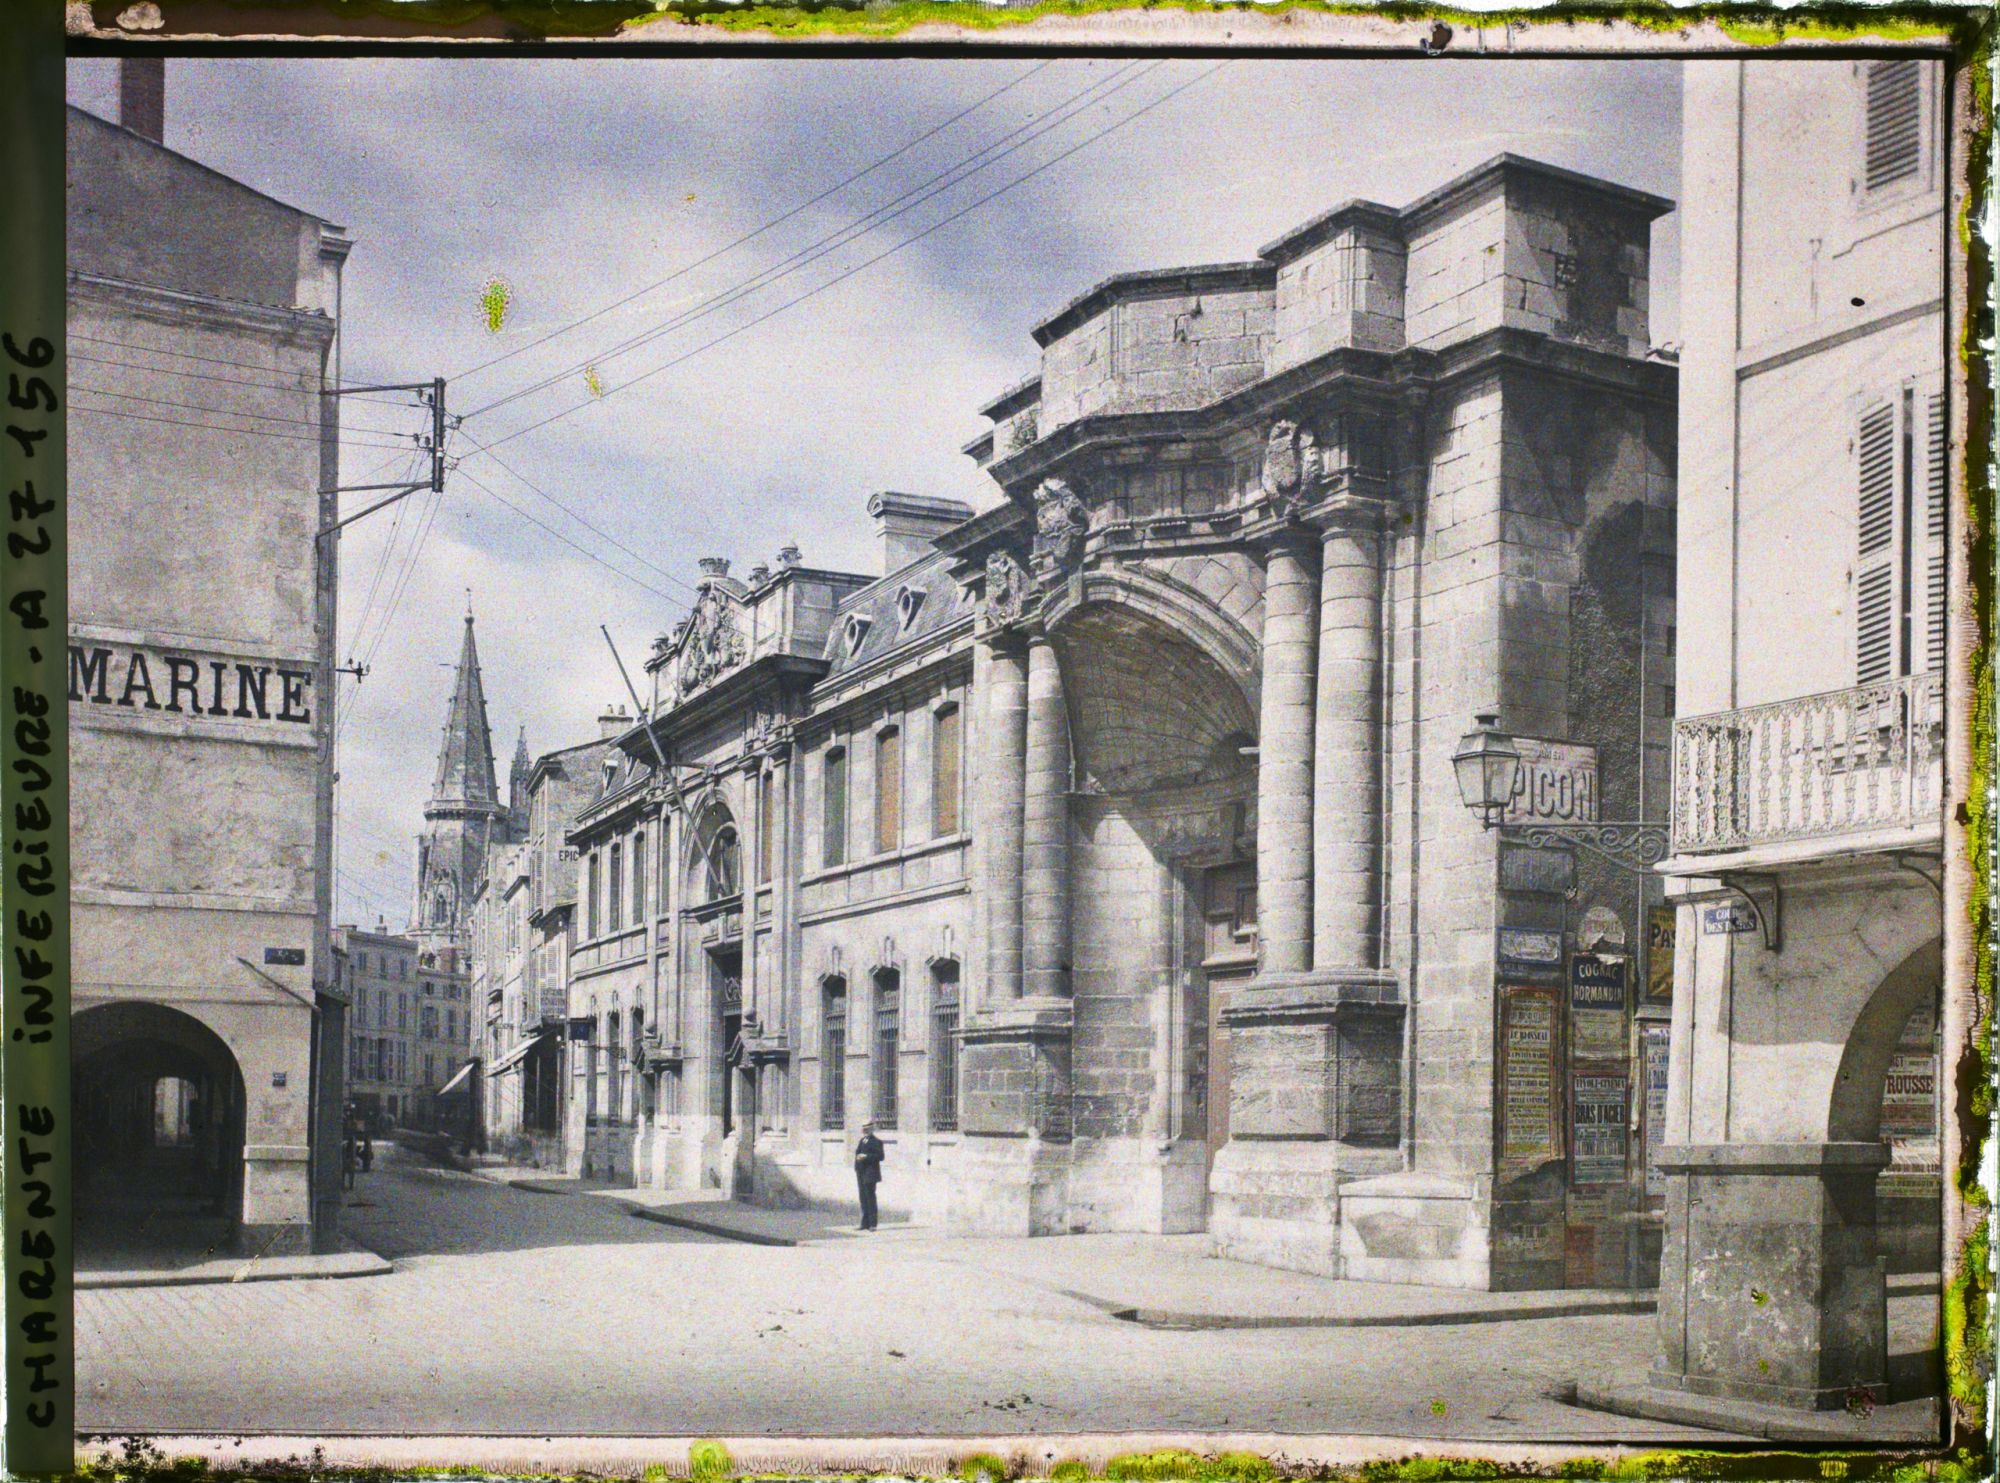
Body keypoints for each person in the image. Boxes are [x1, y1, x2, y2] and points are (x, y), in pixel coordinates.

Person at [853, 1121, 885, 1231]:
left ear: (871, 1130)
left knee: (870, 1198)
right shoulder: (862, 1141)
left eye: (867, 1129)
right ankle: (864, 1223)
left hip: (870, 1173)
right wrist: (857, 1166)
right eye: (864, 1129)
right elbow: (857, 1153)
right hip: (861, 1172)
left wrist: (866, 1156)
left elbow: (880, 1156)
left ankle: (872, 1224)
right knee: (863, 1198)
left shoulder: (877, 1142)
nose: (865, 1131)